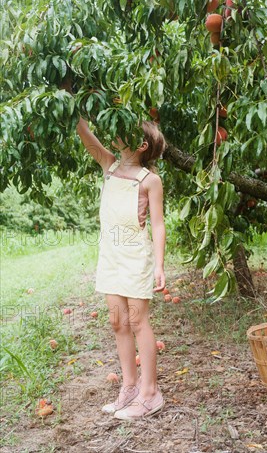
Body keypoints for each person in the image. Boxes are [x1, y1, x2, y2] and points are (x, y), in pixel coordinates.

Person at [69, 94, 167, 420]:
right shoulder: (108, 164)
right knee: (118, 322)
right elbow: (85, 134)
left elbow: (158, 224)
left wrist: (160, 265)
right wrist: (69, 100)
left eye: (125, 129)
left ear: (140, 146)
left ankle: (151, 393)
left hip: (135, 257)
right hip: (110, 255)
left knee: (138, 321)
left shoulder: (150, 181)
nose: (116, 130)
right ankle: (129, 387)